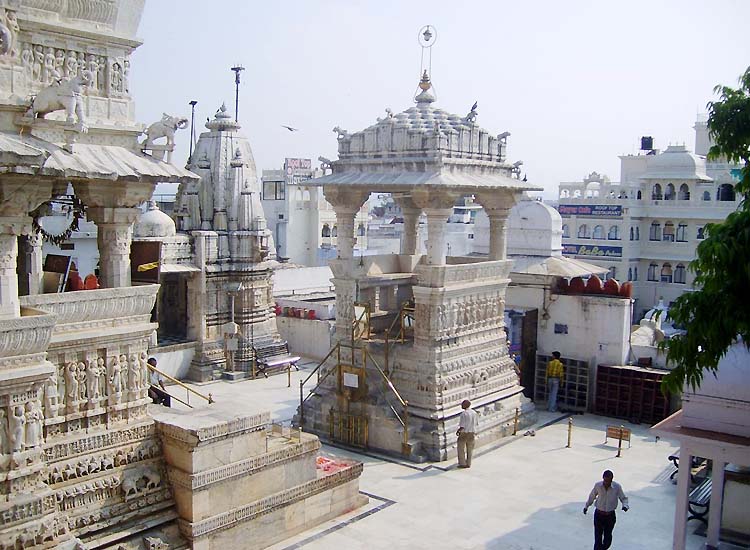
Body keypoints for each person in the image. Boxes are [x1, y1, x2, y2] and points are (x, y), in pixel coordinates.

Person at [583, 470, 629, 550]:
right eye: (605, 480)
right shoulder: (598, 486)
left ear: (612, 479)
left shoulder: (617, 487)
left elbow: (623, 498)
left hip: (610, 516)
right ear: (603, 478)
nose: (606, 483)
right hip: (599, 515)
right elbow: (592, 496)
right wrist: (586, 506)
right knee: (598, 538)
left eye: (609, 481)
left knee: (607, 538)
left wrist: (625, 506)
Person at [456, 399, 478, 468]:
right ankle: (468, 463)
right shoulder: (474, 413)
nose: (461, 406)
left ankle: (462, 463)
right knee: (470, 448)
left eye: (462, 404)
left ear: (465, 405)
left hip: (464, 433)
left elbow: (462, 425)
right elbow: (476, 423)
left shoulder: (463, 414)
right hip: (472, 432)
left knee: (461, 448)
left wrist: (458, 431)